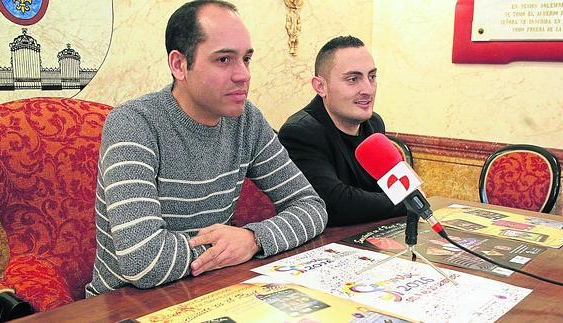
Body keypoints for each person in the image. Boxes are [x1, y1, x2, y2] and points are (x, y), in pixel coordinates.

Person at [85, 0, 327, 297]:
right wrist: (227, 247)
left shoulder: (247, 121)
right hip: (124, 304)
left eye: (246, 59)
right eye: (224, 60)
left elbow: (311, 207)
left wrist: (252, 239)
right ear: (179, 65)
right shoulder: (134, 123)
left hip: (211, 292)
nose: (243, 75)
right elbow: (142, 261)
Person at [278, 36, 406, 227]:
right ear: (320, 86)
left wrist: (404, 198)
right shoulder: (300, 133)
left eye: (371, 77)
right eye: (353, 79)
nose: (367, 89)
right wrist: (404, 202)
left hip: (373, 235)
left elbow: (401, 187)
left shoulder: (374, 124)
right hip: (324, 245)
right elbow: (336, 205)